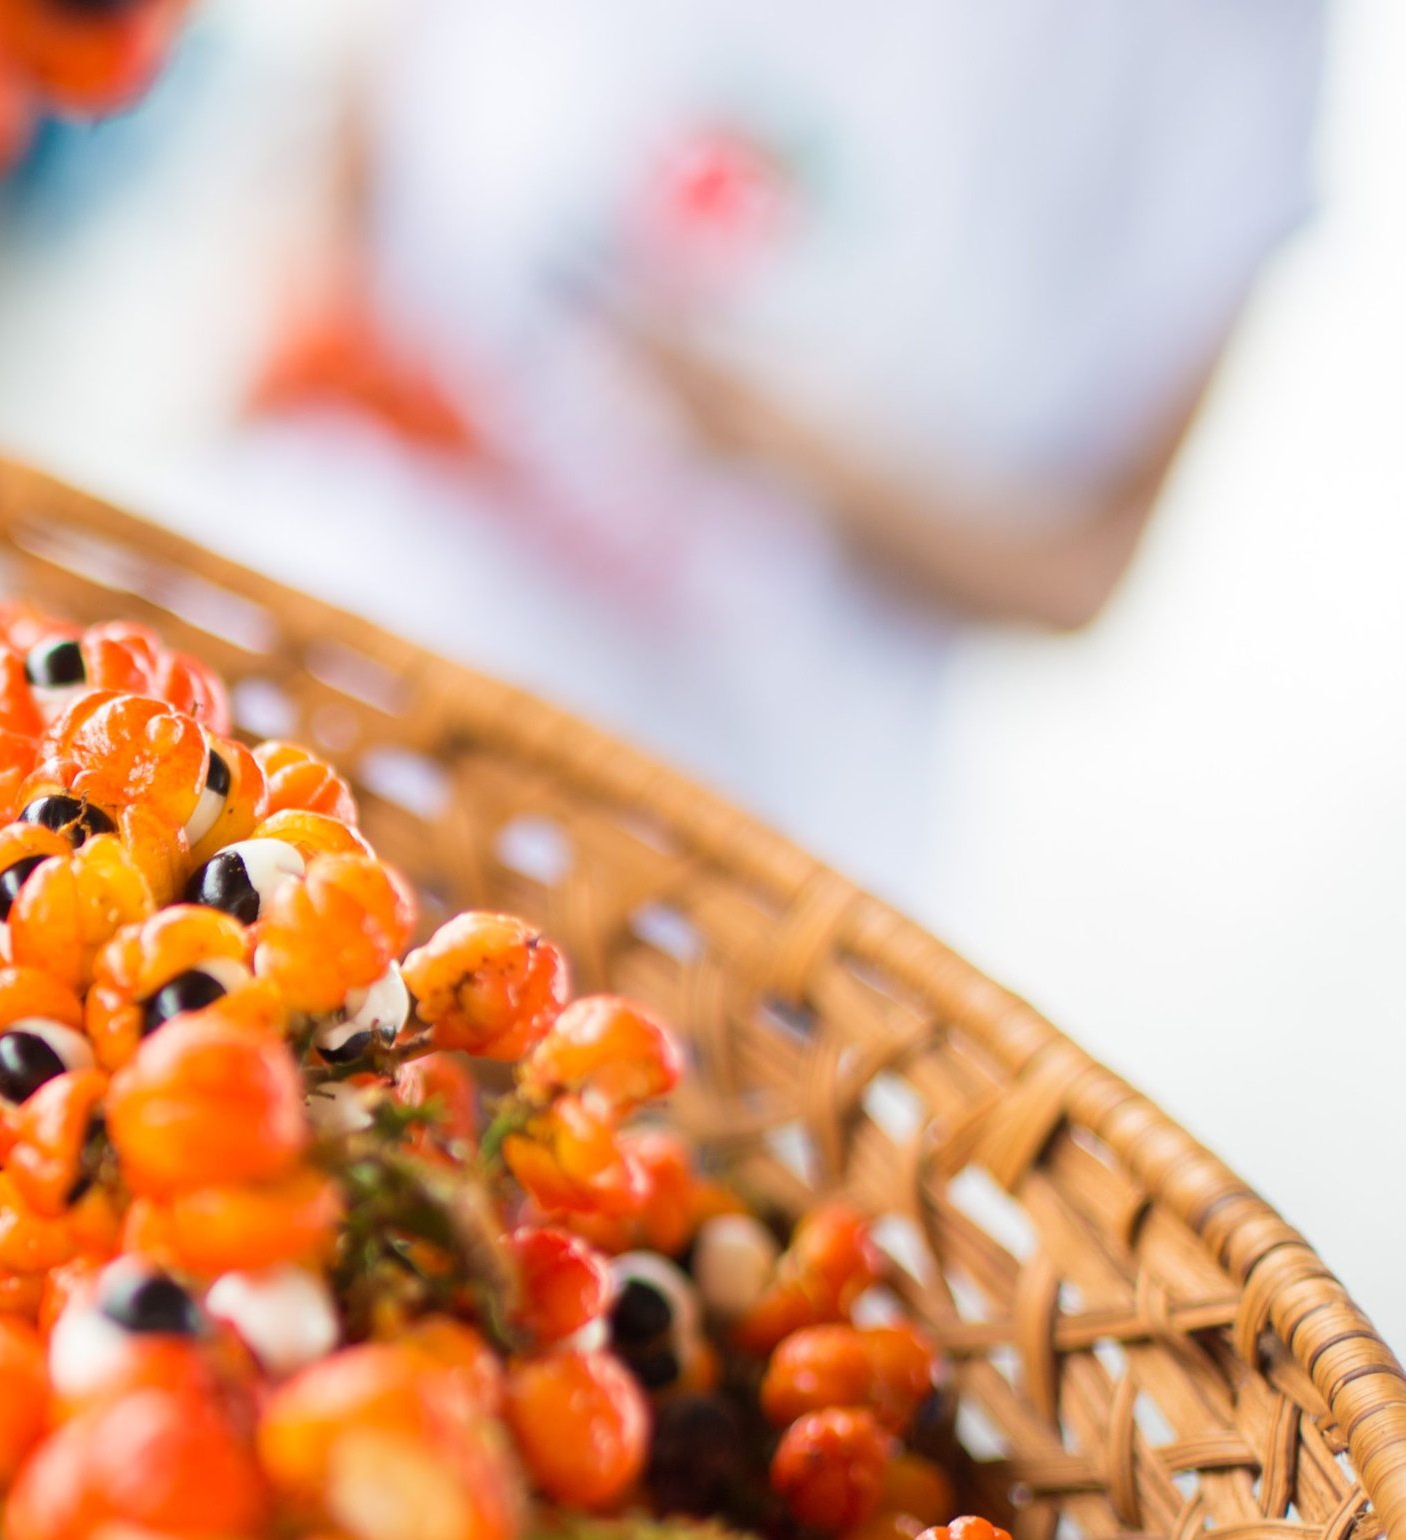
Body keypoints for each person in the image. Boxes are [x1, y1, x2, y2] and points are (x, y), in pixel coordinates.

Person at [170, 0, 1326, 899]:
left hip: (708, 843)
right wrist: (299, 354)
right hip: (299, 638)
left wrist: (788, 446)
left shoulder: (1229, 56)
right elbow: (359, 151)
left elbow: (1086, 565)